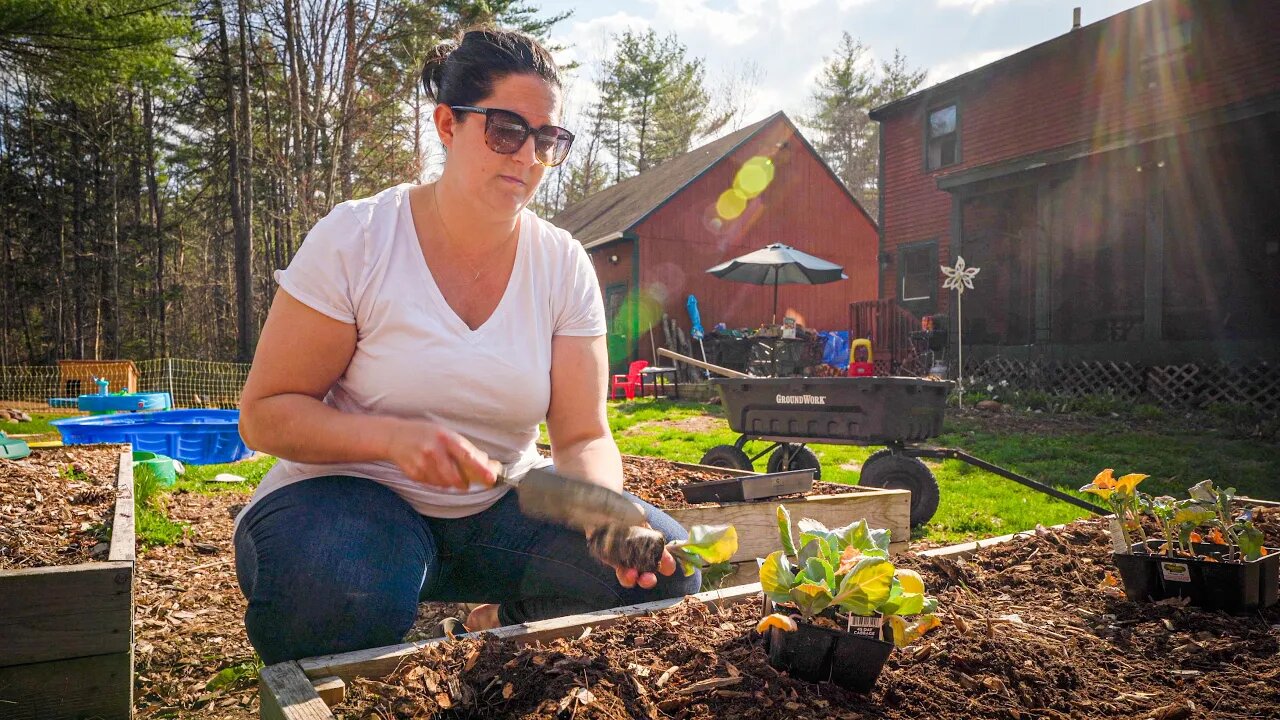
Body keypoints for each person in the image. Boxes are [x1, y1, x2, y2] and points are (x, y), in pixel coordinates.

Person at [233, 26, 699, 666]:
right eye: (507, 130)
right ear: (447, 124)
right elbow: (266, 411)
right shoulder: (359, 238)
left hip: (502, 501)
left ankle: (496, 621)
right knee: (338, 592)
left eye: (548, 139)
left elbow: (584, 436)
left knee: (660, 572)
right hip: (348, 494)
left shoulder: (562, 264)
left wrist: (605, 514)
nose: (529, 156)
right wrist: (395, 440)